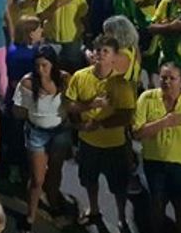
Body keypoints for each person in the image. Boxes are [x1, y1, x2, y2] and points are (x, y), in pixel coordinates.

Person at [65, 35, 135, 230]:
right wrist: (90, 105)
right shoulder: (80, 77)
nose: (101, 54)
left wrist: (99, 124)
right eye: (98, 50)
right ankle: (94, 209)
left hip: (114, 144)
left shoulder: (121, 83)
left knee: (119, 186)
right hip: (87, 142)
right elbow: (69, 105)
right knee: (89, 180)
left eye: (106, 51)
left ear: (114, 57)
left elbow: (127, 115)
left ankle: (121, 216)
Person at [133, 62, 181, 233]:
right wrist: (165, 122)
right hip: (154, 162)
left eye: (172, 78)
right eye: (163, 78)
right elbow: (137, 133)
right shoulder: (146, 98)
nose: (167, 82)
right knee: (157, 202)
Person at [13, 45, 71, 230]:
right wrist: (32, 104)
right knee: (37, 178)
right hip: (37, 132)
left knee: (55, 171)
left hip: (60, 131)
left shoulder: (64, 79)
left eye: (44, 65)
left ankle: (54, 204)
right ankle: (30, 215)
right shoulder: (27, 82)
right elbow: (17, 111)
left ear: (53, 64)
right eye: (37, 65)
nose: (40, 70)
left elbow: (71, 103)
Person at [37, 0, 88, 72]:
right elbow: (40, 17)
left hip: (73, 41)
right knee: (53, 71)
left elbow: (84, 16)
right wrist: (54, 6)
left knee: (73, 70)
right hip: (52, 41)